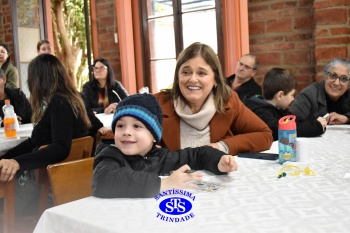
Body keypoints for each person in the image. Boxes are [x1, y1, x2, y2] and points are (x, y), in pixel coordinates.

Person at [92, 93, 238, 198]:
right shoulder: (110, 155)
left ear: (154, 136)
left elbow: (196, 155)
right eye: (120, 126)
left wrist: (219, 161)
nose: (126, 132)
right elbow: (103, 180)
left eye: (136, 126)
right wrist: (162, 184)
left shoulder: (161, 156)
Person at [0, 54, 91, 215]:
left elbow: (60, 147)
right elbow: (33, 142)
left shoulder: (59, 102)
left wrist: (17, 163)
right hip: (60, 184)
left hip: (41, 191)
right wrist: (9, 159)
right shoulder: (71, 99)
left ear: (39, 78)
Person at [154, 42, 273, 155]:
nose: (193, 79)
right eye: (186, 72)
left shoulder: (229, 101)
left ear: (215, 79)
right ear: (177, 77)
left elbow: (265, 135)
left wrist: (222, 147)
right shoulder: (156, 103)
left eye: (202, 73)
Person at [243, 68, 327, 141]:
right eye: (291, 95)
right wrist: (316, 127)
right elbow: (282, 130)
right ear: (280, 95)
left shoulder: (280, 109)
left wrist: (315, 121)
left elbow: (296, 122)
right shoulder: (261, 113)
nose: (293, 99)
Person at [290, 57, 350, 125]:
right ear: (325, 76)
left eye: (344, 79)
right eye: (333, 75)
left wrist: (347, 118)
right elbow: (291, 123)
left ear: (348, 84)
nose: (336, 83)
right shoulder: (307, 95)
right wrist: (317, 125)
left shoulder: (348, 94)